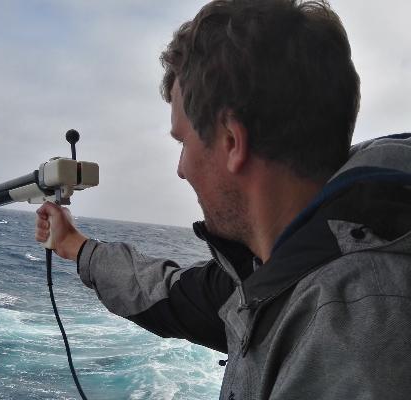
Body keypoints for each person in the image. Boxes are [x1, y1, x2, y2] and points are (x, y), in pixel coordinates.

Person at [35, 0, 411, 398]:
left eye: (183, 141)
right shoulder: (277, 272)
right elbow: (167, 291)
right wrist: (74, 245)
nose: (181, 168)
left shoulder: (352, 328)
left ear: (232, 141)